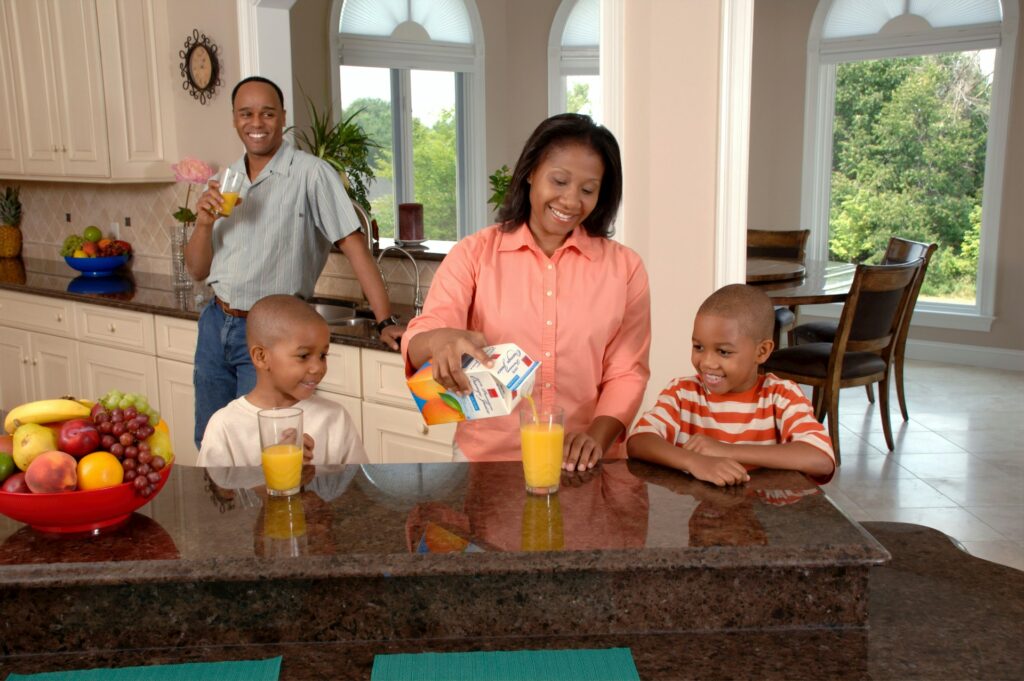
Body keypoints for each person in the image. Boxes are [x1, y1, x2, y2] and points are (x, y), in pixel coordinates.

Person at [402, 113, 651, 469]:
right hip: (488, 461)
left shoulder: (626, 269)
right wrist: (440, 340)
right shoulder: (474, 254)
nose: (570, 200)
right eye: (560, 181)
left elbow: (627, 371)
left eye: (587, 189)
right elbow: (422, 335)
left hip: (583, 464)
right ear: (531, 172)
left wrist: (596, 437)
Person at [185, 76, 402, 448]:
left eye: (267, 113)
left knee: (264, 447)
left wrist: (385, 321)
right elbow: (198, 270)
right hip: (215, 324)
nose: (257, 123)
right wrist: (203, 224)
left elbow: (354, 246)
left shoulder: (311, 174)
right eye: (246, 114)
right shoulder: (227, 180)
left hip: (271, 337)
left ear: (283, 117)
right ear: (235, 119)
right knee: (211, 442)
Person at [627, 284, 835, 486]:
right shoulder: (682, 393)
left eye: (724, 352)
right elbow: (639, 441)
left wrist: (725, 450)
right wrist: (694, 461)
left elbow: (821, 459)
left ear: (762, 351)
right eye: (698, 347)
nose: (707, 362)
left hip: (766, 517)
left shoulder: (781, 396)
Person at [197, 294, 368, 467]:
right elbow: (217, 492)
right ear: (261, 357)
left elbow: (359, 488)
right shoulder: (225, 427)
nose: (318, 367)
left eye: (323, 355)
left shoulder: (335, 418)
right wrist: (274, 470)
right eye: (303, 356)